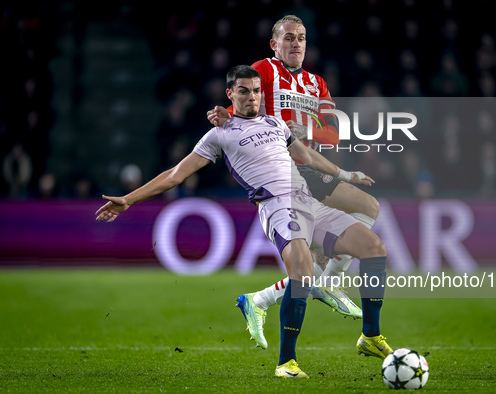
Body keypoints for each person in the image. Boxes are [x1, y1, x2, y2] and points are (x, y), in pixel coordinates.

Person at [96, 66, 392, 377]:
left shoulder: (276, 123)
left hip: (308, 201)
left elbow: (307, 156)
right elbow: (176, 174)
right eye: (243, 91)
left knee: (374, 248)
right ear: (230, 95)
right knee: (303, 272)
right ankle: (286, 363)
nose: (251, 97)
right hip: (278, 207)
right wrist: (129, 199)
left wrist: (347, 175)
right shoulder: (218, 135)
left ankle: (370, 336)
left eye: (255, 91)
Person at [207, 14, 380, 349]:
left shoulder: (316, 84)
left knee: (354, 222)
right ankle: (326, 284)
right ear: (275, 44)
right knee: (364, 211)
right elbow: (240, 104)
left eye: (300, 38)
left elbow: (333, 133)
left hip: (310, 168)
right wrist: (223, 114)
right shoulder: (265, 70)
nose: (295, 44)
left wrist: (310, 131)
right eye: (288, 38)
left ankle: (264, 298)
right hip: (282, 168)